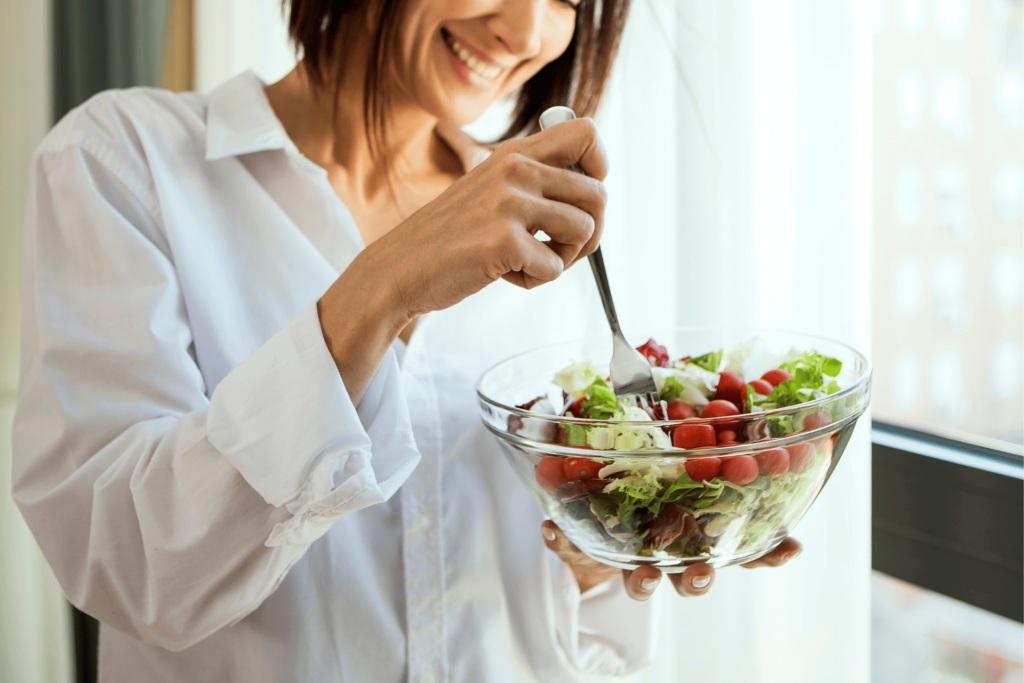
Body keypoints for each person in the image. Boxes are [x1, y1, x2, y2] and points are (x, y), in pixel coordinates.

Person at [12, 0, 800, 680]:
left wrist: (605, 553)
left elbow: (557, 631)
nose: (526, 28)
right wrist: (381, 287)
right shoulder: (122, 161)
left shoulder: (541, 226)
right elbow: (125, 561)